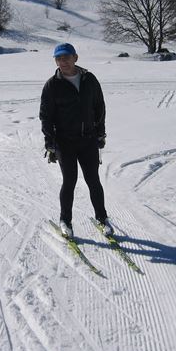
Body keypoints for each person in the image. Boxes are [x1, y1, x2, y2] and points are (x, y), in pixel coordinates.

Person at [39, 43, 113, 238]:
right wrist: (50, 143)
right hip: (65, 142)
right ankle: (65, 220)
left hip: (88, 140)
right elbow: (45, 116)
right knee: (69, 181)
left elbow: (100, 108)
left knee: (93, 180)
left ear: (75, 58)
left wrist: (100, 134)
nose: (63, 62)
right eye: (59, 59)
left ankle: (102, 218)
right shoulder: (52, 85)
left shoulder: (89, 80)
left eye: (66, 57)